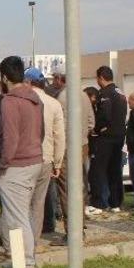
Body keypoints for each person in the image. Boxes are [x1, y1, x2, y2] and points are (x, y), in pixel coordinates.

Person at [0, 56, 43, 268]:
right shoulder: (35, 99)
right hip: (34, 160)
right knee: (24, 215)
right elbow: (40, 132)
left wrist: (3, 163)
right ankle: (23, 262)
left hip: (16, 165)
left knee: (17, 219)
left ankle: (26, 267)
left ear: (4, 77)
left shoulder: (9, 101)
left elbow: (9, 138)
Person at [52, 68, 93, 241]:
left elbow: (59, 127)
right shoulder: (83, 95)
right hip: (82, 144)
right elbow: (91, 122)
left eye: (54, 78)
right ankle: (80, 222)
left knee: (66, 189)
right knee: (80, 186)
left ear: (61, 79)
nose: (53, 82)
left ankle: (72, 232)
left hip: (68, 147)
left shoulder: (62, 97)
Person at [26, 68, 65, 246]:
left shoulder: (19, 101)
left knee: (21, 203)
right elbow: (59, 135)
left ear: (27, 82)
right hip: (46, 158)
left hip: (24, 159)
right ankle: (33, 240)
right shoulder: (54, 103)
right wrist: (58, 162)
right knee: (38, 203)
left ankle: (21, 243)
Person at [88, 66, 128, 213]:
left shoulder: (105, 93)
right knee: (114, 170)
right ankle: (115, 203)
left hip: (106, 137)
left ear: (101, 78)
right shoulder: (120, 92)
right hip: (119, 136)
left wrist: (96, 129)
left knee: (97, 170)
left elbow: (104, 114)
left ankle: (97, 203)